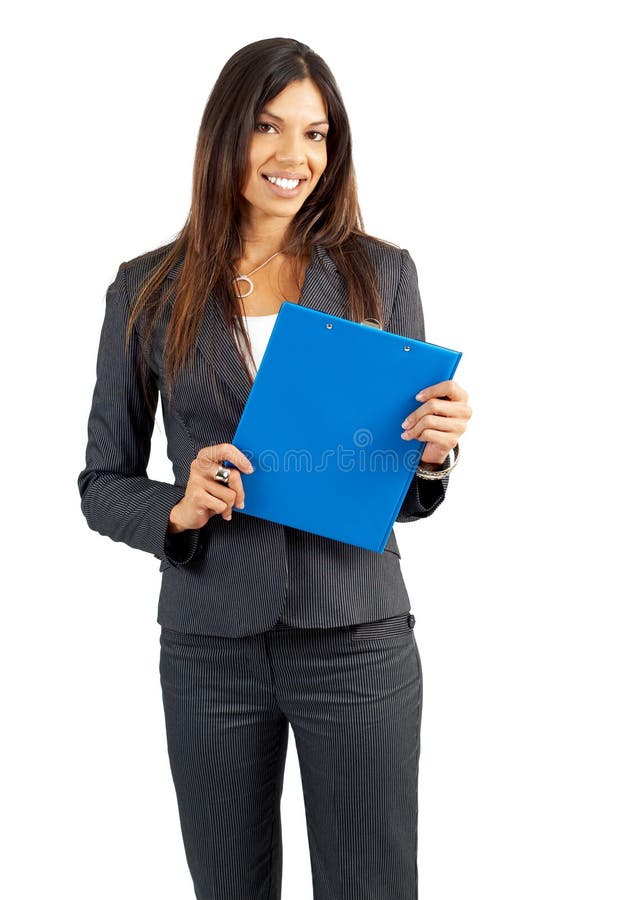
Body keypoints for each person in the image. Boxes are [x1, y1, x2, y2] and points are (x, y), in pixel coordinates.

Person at [77, 36, 472, 900]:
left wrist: (434, 456)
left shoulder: (380, 275)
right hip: (209, 645)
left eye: (317, 133)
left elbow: (403, 492)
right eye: (267, 126)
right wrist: (175, 509)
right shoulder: (146, 290)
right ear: (226, 135)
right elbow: (101, 482)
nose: (294, 156)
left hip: (354, 637)